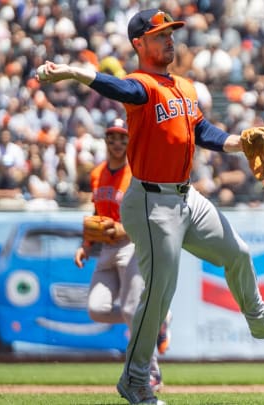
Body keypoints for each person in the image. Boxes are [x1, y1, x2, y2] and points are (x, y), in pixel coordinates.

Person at [37, 8, 264, 404]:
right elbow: (115, 87)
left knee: (238, 251)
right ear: (140, 43)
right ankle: (135, 381)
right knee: (158, 294)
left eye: (171, 33)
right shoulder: (141, 85)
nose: (170, 40)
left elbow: (202, 130)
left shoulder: (183, 86)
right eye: (160, 35)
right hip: (151, 202)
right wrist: (71, 71)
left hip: (186, 196)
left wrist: (238, 143)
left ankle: (258, 319)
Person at [73, 118, 171, 391]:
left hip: (132, 245)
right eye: (112, 137)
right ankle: (157, 317)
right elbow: (96, 215)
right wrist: (85, 246)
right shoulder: (97, 173)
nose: (117, 143)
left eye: (122, 138)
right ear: (105, 141)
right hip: (106, 247)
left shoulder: (138, 174)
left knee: (130, 309)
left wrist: (121, 227)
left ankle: (152, 372)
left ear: (130, 142)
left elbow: (149, 214)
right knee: (97, 308)